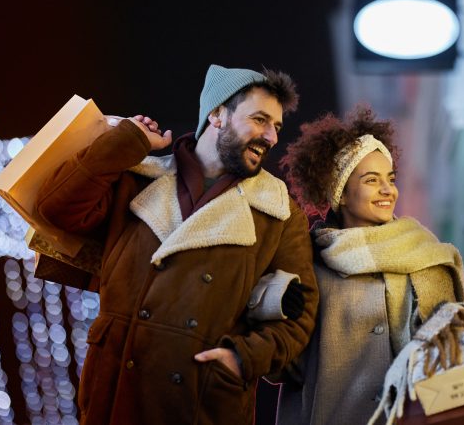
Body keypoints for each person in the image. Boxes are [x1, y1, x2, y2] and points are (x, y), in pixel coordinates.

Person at [35, 64, 319, 425]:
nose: (271, 136)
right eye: (260, 119)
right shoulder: (138, 178)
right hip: (116, 393)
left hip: (202, 402)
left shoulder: (278, 211)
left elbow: (300, 315)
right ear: (217, 114)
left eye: (276, 126)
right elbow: (56, 210)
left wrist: (242, 359)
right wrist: (128, 141)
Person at [274, 106, 464, 425]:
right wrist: (278, 307)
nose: (387, 190)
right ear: (341, 194)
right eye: (371, 180)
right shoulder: (309, 262)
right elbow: (285, 366)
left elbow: (448, 354)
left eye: (390, 179)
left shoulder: (423, 252)